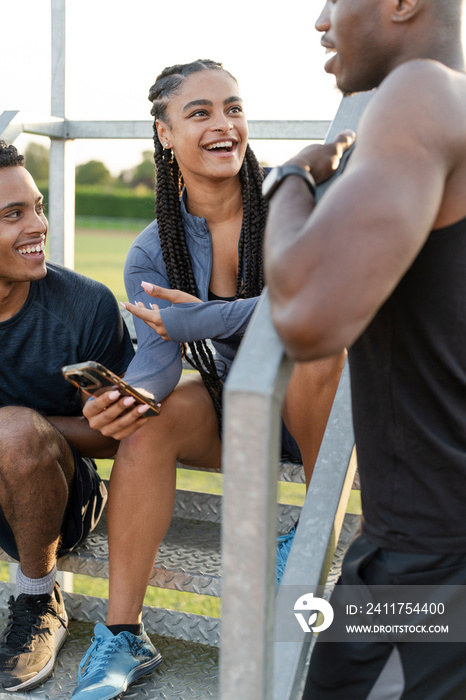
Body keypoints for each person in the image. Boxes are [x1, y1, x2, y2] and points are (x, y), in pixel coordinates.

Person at [72, 59, 346, 700]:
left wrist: (205, 317)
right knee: (146, 424)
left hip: (335, 412)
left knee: (313, 349)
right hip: (243, 413)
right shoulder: (154, 247)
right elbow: (158, 363)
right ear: (165, 134)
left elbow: (315, 308)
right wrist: (122, 399)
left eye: (233, 108)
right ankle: (121, 635)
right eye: (199, 113)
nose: (224, 125)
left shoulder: (296, 201)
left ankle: (307, 539)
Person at [264, 0, 466, 698]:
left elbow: (308, 319)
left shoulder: (422, 90)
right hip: (404, 548)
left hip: (435, 565)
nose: (321, 20)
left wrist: (289, 180)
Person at [0, 141, 135, 692]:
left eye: (36, 206)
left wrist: (23, 431)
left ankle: (39, 600)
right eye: (13, 215)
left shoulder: (84, 305)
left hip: (58, 494)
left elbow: (125, 439)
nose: (37, 225)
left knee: (12, 430)